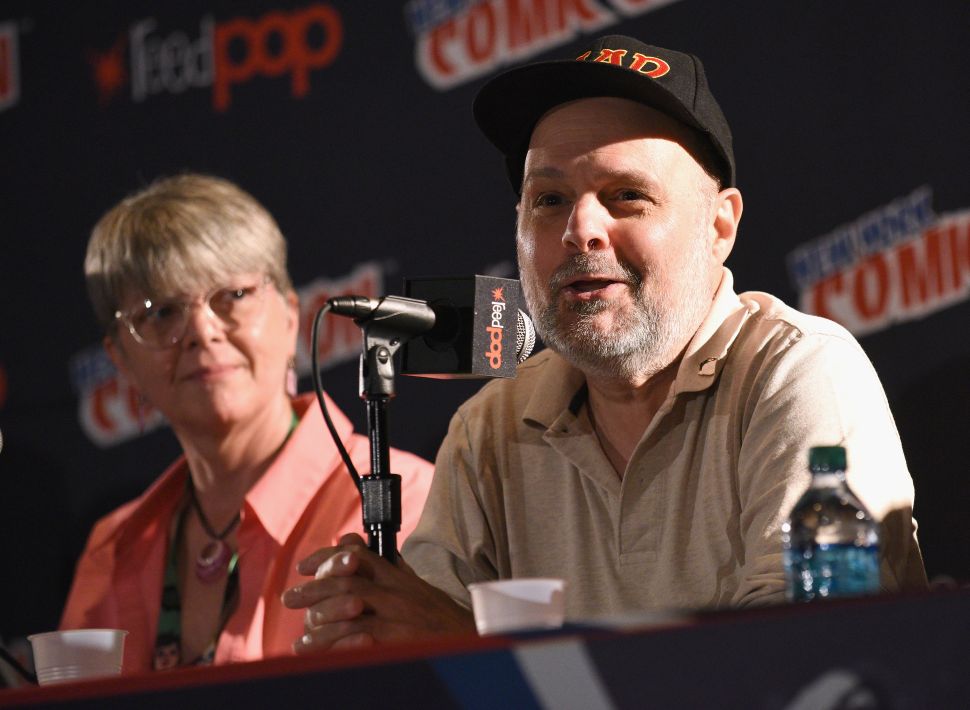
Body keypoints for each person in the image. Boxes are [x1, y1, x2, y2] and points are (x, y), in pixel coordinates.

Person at [283, 35, 927, 649]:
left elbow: (794, 666)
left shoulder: (798, 372)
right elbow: (425, 657)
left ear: (720, 226)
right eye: (550, 199)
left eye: (626, 196)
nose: (580, 229)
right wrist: (371, 623)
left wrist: (461, 641)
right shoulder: (491, 427)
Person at [60, 173, 435, 671]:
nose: (200, 331)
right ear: (121, 361)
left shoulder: (403, 500)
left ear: (289, 316)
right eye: (162, 312)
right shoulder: (111, 549)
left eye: (232, 295)